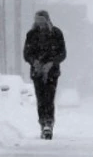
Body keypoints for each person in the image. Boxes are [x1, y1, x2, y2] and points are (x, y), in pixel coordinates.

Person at [23, 10, 66, 140]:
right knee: (41, 99)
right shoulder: (31, 34)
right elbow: (27, 53)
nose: (40, 23)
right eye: (37, 21)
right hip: (37, 72)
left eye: (42, 20)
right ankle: (42, 123)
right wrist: (34, 61)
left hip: (52, 72)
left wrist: (51, 63)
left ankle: (49, 123)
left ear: (47, 20)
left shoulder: (56, 33)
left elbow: (62, 53)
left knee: (49, 98)